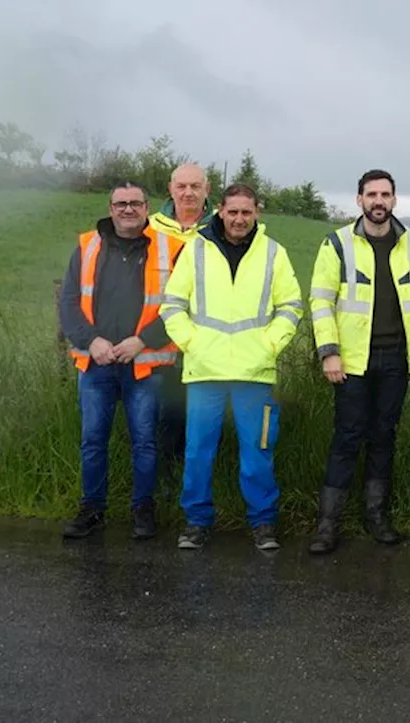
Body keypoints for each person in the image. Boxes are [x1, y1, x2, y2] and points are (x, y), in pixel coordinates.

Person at [159, 183, 304, 551]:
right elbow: (172, 305)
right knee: (197, 451)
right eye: (233, 211)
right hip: (205, 371)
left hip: (254, 372)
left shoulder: (274, 254)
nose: (239, 219)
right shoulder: (196, 250)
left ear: (257, 213)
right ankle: (196, 522)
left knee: (258, 452)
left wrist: (269, 345)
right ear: (220, 211)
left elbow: (291, 307)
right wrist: (192, 343)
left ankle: (263, 523)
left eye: (247, 212)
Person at [306, 169, 410, 554]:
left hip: (396, 357)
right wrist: (329, 351)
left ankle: (377, 517)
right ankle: (328, 525)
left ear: (394, 200)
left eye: (385, 194)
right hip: (350, 360)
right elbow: (320, 299)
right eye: (371, 194)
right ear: (359, 199)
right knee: (347, 436)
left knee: (384, 436)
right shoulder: (337, 243)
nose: (379, 201)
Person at [57, 181, 186, 540]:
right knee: (92, 439)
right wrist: (91, 340)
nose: (128, 209)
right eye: (120, 204)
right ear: (110, 208)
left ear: (148, 208)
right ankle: (92, 509)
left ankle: (143, 510)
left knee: (145, 441)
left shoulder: (170, 248)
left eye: (135, 203)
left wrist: (142, 340)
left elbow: (179, 306)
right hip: (96, 362)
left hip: (143, 363)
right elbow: (68, 302)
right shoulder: (87, 246)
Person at [149, 163, 216, 465]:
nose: (188, 193)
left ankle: (204, 480)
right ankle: (164, 480)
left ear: (207, 190)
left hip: (209, 339)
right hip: (156, 337)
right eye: (182, 186)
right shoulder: (149, 227)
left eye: (195, 186)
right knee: (164, 416)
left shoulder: (223, 226)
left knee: (206, 418)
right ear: (170, 189)